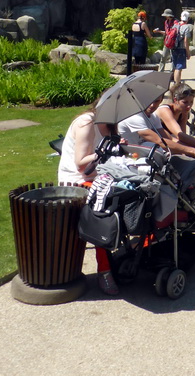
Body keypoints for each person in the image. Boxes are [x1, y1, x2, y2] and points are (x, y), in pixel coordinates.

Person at [57, 106, 120, 295]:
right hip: (77, 181)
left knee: (135, 193)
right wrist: (107, 151)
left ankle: (132, 250)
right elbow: (82, 164)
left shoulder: (110, 125)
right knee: (102, 208)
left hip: (99, 176)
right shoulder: (87, 122)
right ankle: (104, 270)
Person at [117, 94, 195, 160]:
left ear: (161, 100)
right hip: (132, 156)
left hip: (149, 151)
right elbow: (160, 141)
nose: (152, 105)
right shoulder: (135, 117)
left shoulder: (153, 116)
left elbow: (170, 138)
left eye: (156, 101)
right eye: (149, 101)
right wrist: (194, 150)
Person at [170, 11, 193, 87]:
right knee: (178, 68)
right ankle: (177, 85)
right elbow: (186, 41)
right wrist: (188, 52)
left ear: (180, 17)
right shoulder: (186, 27)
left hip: (173, 48)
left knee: (175, 66)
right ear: (188, 19)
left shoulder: (175, 25)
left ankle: (177, 82)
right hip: (181, 49)